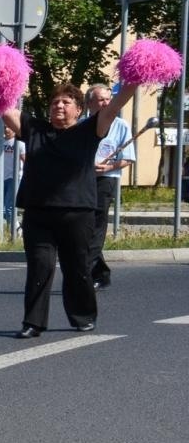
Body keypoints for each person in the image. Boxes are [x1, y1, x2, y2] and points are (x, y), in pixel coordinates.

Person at [3, 78, 137, 338]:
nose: (59, 106)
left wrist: (135, 79)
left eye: (66, 102)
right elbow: (5, 111)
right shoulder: (36, 129)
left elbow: (114, 106)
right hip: (38, 211)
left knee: (76, 267)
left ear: (79, 109)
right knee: (39, 267)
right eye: (55, 102)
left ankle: (83, 316)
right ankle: (33, 322)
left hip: (77, 212)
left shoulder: (89, 130)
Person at [87, 84, 134, 289]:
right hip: (81, 180)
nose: (106, 103)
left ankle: (85, 273)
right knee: (82, 227)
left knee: (96, 225)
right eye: (101, 100)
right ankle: (101, 272)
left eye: (108, 99)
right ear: (89, 103)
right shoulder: (80, 124)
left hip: (105, 180)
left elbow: (128, 159)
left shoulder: (121, 125)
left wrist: (107, 167)